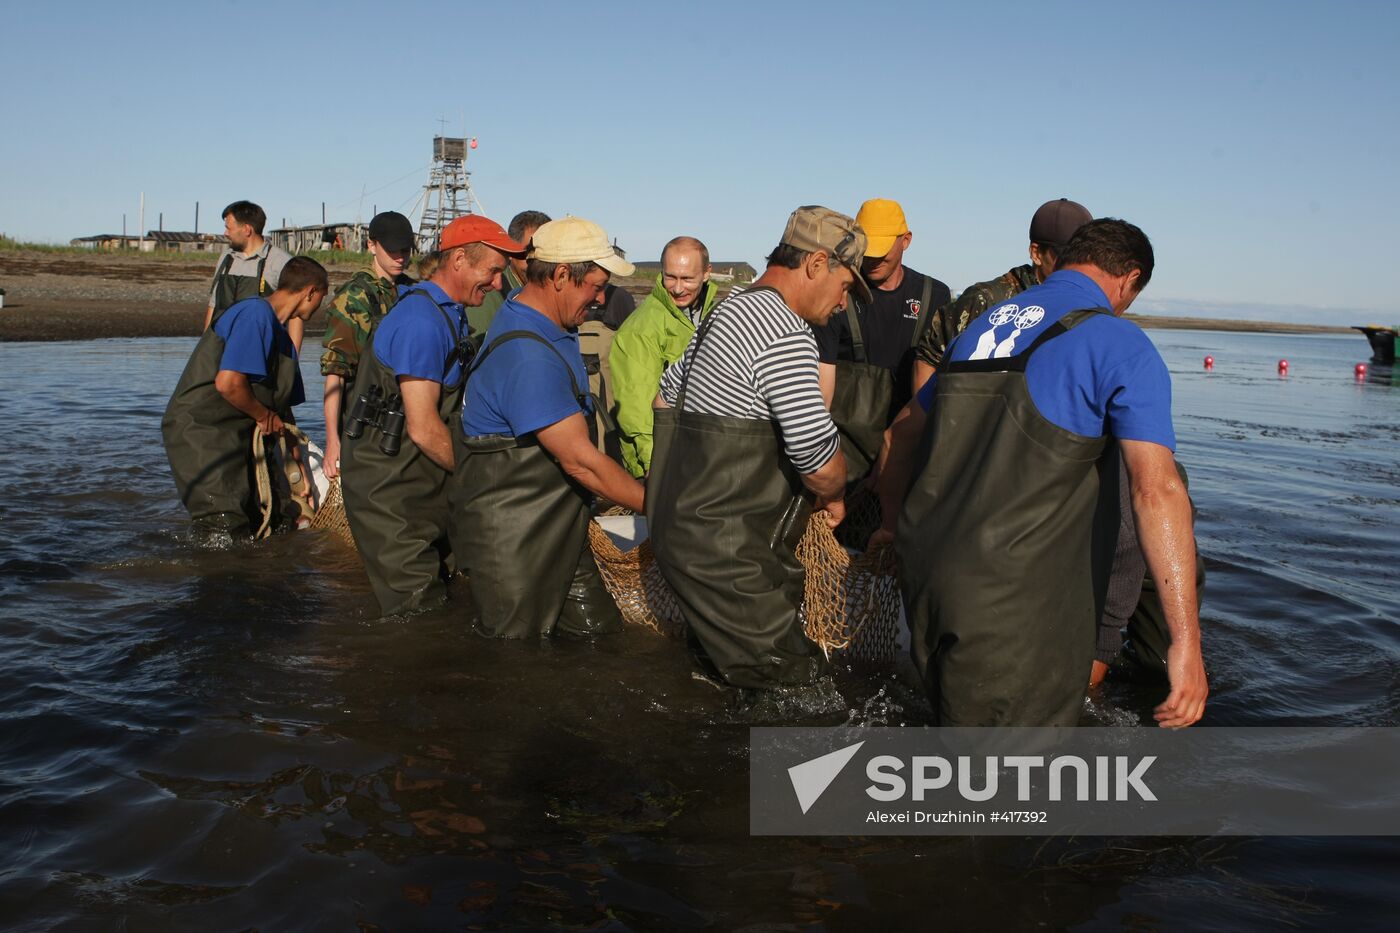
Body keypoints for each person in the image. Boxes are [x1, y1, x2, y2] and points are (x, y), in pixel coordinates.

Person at [884, 219, 1207, 728]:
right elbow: (1157, 491)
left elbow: (898, 436)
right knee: (1005, 786)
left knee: (954, 748)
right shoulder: (1118, 341)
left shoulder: (981, 328)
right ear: (1129, 279)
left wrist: (887, 526)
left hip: (930, 582)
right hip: (1014, 610)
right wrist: (1185, 643)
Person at [650, 206, 861, 713]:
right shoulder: (784, 331)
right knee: (804, 700)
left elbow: (664, 399)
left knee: (722, 688)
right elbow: (816, 457)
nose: (843, 302)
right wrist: (835, 492)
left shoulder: (728, 309)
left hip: (683, 541)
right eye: (846, 285)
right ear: (816, 264)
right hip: (730, 558)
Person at [452, 217, 641, 637]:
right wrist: (658, 506)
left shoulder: (551, 320)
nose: (600, 297)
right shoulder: (528, 354)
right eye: (595, 286)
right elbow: (581, 463)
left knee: (601, 634)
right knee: (516, 657)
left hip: (561, 523)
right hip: (511, 538)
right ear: (559, 276)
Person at [340, 214, 525, 616]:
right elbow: (424, 429)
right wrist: (482, 479)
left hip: (424, 486)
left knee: (454, 598)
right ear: (459, 260)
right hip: (390, 495)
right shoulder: (422, 322)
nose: (498, 285)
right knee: (419, 614)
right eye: (492, 272)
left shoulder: (451, 313)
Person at [163, 257, 329, 536]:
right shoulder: (255, 314)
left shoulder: (284, 342)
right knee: (225, 525)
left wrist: (300, 473)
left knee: (270, 519)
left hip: (240, 434)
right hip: (202, 431)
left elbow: (284, 413)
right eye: (321, 297)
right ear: (311, 292)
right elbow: (228, 383)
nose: (320, 305)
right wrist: (264, 416)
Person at [812, 198, 950, 481]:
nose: (872, 260)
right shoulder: (837, 292)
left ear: (906, 240)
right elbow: (821, 388)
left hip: (906, 452)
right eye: (867, 250)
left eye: (881, 251)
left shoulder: (935, 295)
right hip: (845, 454)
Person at [911, 197, 1092, 390]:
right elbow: (928, 359)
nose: (1076, 267)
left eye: (1084, 258)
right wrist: (933, 418)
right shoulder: (987, 300)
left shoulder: (1084, 307)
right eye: (1066, 257)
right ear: (1036, 253)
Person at [611, 236, 722, 477]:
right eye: (670, 276)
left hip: (700, 458)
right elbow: (636, 407)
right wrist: (655, 465)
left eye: (687, 278)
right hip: (664, 463)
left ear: (706, 273)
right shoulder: (642, 328)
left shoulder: (712, 316)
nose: (678, 288)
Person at [319, 211, 416, 479]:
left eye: (406, 249)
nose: (400, 257)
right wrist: (332, 441)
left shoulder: (414, 291)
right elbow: (335, 373)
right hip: (364, 422)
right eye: (392, 249)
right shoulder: (354, 297)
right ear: (371, 246)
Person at [202, 201, 297, 349]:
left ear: (247, 229)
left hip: (261, 352)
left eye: (228, 228)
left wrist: (292, 361)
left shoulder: (280, 261)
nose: (225, 233)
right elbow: (213, 305)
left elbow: (295, 316)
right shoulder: (226, 258)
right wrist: (204, 348)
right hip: (220, 350)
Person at [471, 209, 550, 338]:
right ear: (512, 252)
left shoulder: (553, 295)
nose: (538, 263)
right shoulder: (489, 295)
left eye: (546, 254)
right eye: (530, 252)